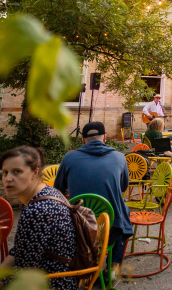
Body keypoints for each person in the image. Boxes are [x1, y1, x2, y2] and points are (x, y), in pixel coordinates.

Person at [54, 121, 132, 277]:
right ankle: (113, 267)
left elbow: (58, 190)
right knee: (124, 211)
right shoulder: (119, 157)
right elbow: (123, 187)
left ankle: (82, 263)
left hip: (78, 228)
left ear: (83, 140)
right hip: (110, 229)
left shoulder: (69, 158)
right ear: (105, 138)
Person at [0, 146, 77, 289]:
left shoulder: (37, 211)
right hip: (62, 274)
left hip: (55, 281)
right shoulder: (46, 192)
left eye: (17, 171)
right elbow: (19, 250)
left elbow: (24, 271)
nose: (8, 178)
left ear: (35, 173)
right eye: (5, 172)